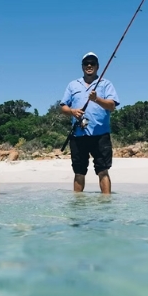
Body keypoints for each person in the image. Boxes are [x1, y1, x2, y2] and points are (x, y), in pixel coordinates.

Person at [60, 52, 120, 194]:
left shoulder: (106, 84)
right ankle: (78, 206)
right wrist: (72, 112)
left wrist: (97, 99)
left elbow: (112, 106)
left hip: (101, 135)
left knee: (103, 171)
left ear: (97, 66)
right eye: (86, 63)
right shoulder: (73, 85)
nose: (89, 65)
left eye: (92, 63)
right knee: (79, 172)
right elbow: (63, 106)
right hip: (78, 135)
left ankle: (106, 204)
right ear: (82, 66)